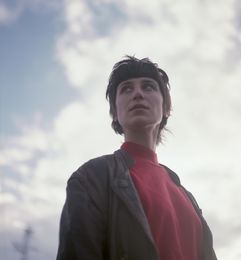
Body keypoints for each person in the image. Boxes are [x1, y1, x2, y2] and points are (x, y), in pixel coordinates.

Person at [56, 56, 217, 260]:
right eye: (126, 89)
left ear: (166, 107)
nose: (138, 94)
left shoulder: (186, 195)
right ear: (114, 112)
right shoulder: (92, 177)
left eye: (148, 87)